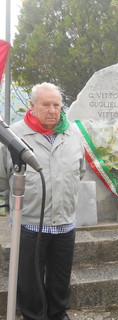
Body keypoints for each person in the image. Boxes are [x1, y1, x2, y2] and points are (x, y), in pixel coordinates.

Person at [0, 83, 86, 320]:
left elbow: (80, 171)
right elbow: (1, 179)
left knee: (60, 279)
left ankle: (58, 315)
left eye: (56, 105)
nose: (52, 110)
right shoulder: (13, 137)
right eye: (45, 104)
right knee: (30, 281)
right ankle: (34, 316)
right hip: (29, 224)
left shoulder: (73, 135)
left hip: (65, 222)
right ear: (32, 106)